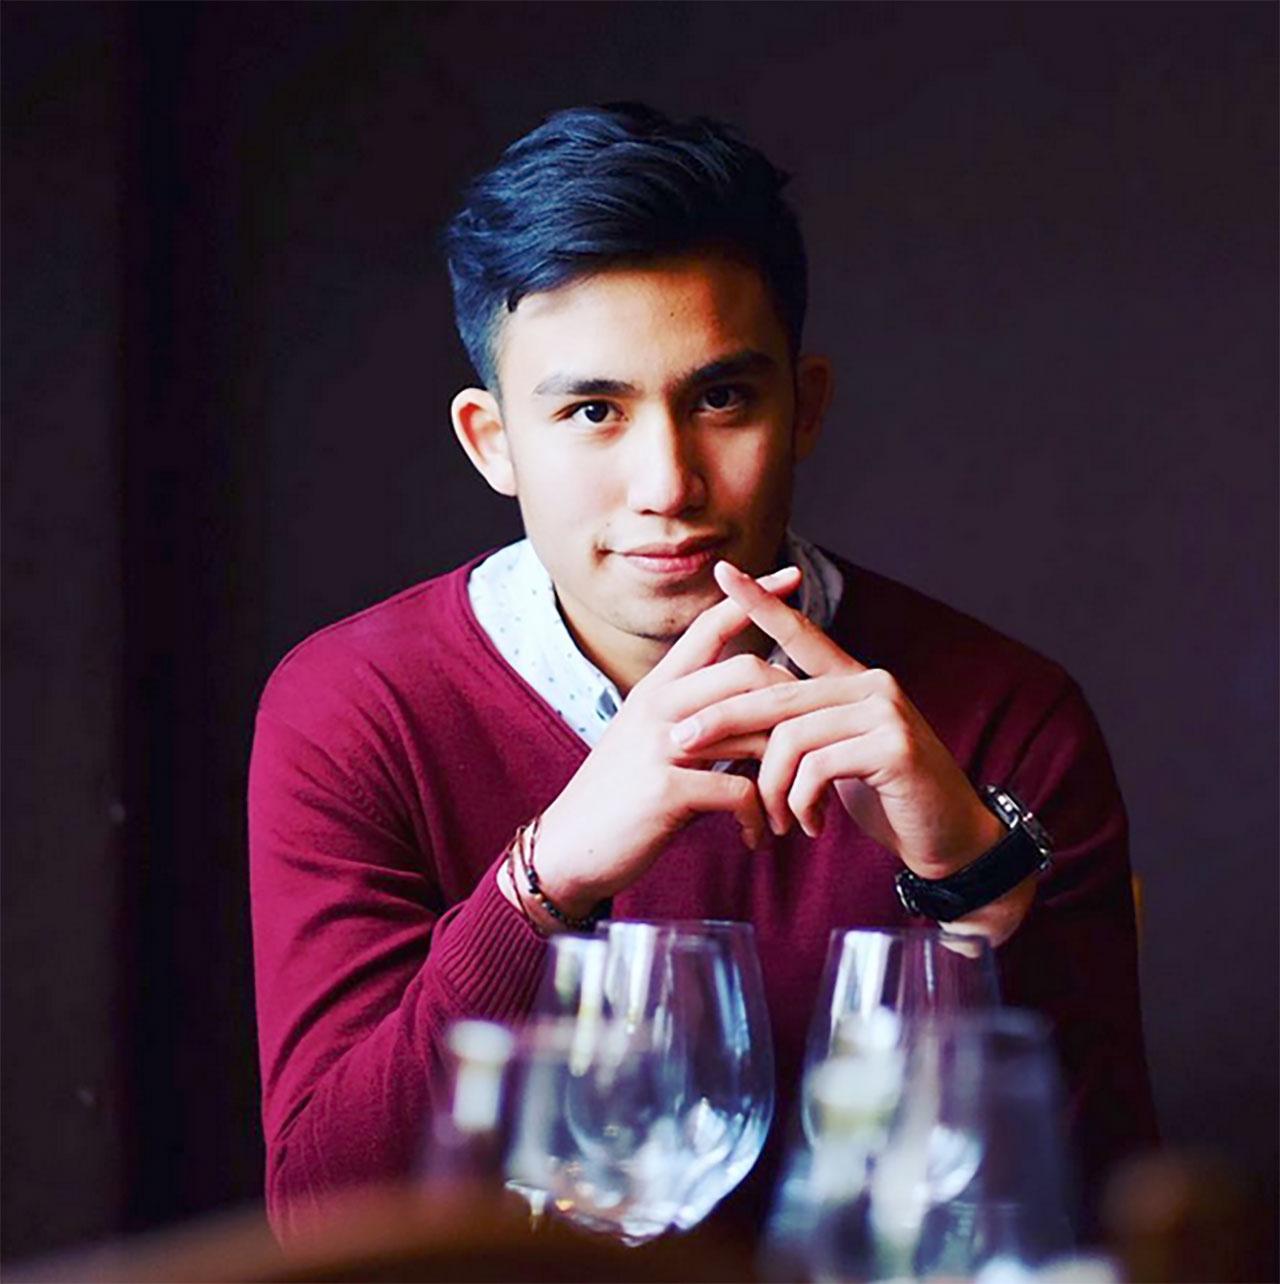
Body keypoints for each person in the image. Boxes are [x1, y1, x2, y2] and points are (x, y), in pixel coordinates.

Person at [248, 102, 1156, 1242]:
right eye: (592, 411)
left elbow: (1101, 1226)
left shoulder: (1002, 718)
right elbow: (324, 1222)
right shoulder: (352, 709)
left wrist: (976, 887)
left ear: (804, 408)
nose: (667, 484)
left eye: (720, 399)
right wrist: (545, 879)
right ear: (492, 442)